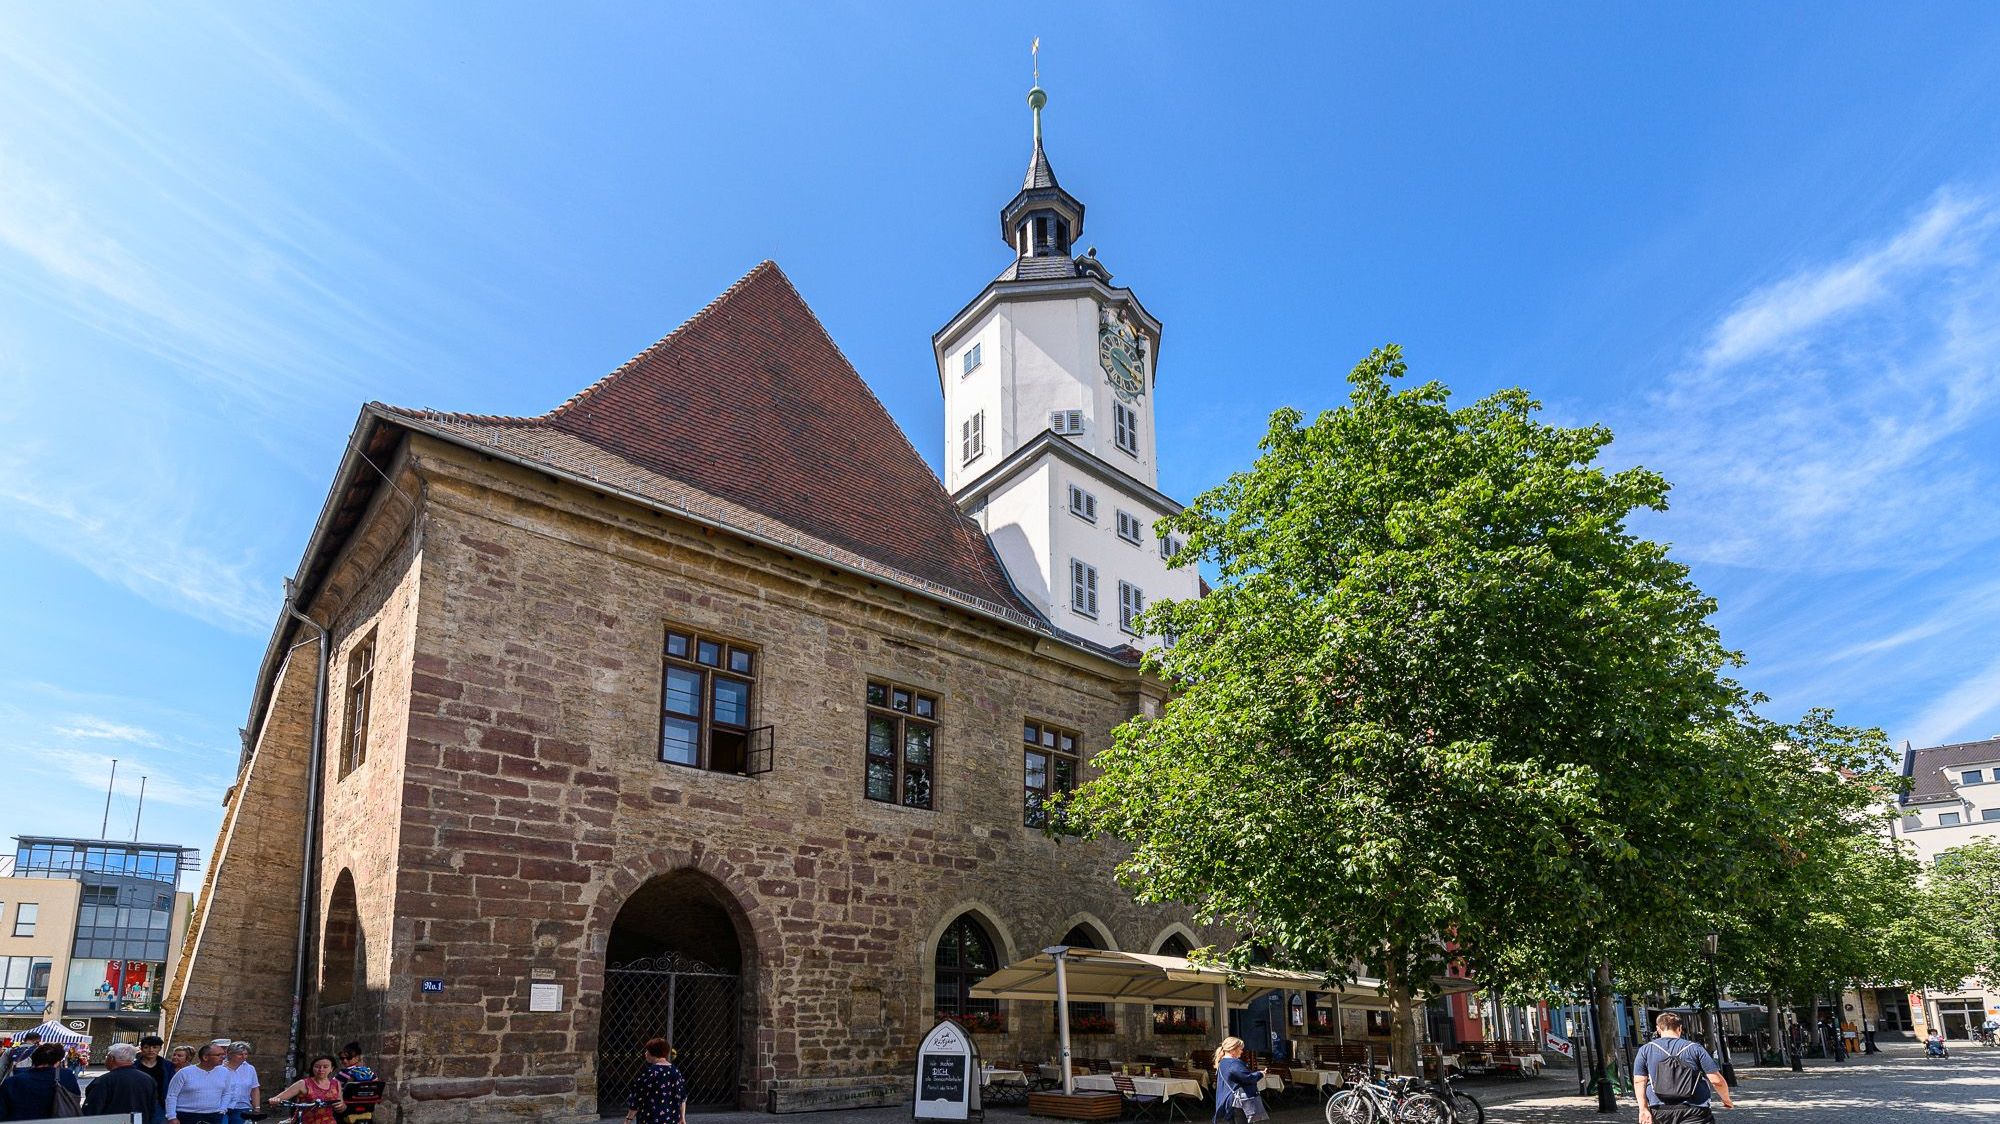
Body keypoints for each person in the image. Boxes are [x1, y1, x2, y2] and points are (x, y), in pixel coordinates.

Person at [1631, 1012, 1731, 1124]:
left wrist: (1643, 1109)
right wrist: (1726, 1100)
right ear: (1680, 1028)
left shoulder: (1645, 1050)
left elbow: (1639, 1081)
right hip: (1695, 1109)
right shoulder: (1695, 1048)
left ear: (1658, 1029)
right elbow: (1716, 1081)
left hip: (1660, 1110)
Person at [0, 1042, 83, 1121]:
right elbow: (75, 1099)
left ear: (33, 1059)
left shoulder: (12, 1082)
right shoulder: (66, 1076)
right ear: (57, 1063)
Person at [86, 1042, 163, 1116]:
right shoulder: (148, 1079)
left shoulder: (104, 1081)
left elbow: (91, 1110)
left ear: (112, 1059)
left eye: (107, 1056)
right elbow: (153, 1107)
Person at [167, 1041, 233, 1124]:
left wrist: (222, 1109)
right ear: (205, 1057)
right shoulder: (184, 1073)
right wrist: (171, 1116)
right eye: (218, 1055)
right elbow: (172, 1095)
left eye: (223, 1054)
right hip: (186, 1115)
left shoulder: (225, 1072)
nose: (223, 1057)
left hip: (214, 1115)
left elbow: (227, 1093)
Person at [623, 1037, 687, 1124]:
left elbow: (637, 1098)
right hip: (671, 1119)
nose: (645, 1053)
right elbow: (682, 1097)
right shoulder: (675, 1071)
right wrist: (682, 1118)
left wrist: (628, 1119)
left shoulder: (649, 1073)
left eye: (647, 1051)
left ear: (653, 1052)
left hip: (650, 1119)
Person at [266, 1055, 346, 1124]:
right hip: (305, 1121)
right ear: (312, 1068)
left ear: (332, 1068)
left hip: (329, 1121)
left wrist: (341, 1106)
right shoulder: (303, 1083)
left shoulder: (336, 1084)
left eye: (325, 1067)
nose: (321, 1069)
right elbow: (279, 1098)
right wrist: (274, 1100)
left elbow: (341, 1106)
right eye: (317, 1066)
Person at [1211, 1036, 1265, 1124]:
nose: (1242, 1051)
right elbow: (1248, 1078)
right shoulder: (1234, 1063)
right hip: (1238, 1102)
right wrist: (1260, 1074)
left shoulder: (1222, 1063)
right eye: (1240, 1049)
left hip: (1227, 1101)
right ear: (1232, 1050)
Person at [136, 1035, 177, 1124]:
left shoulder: (167, 1066)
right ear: (141, 1048)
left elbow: (172, 1086)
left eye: (155, 1047)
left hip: (160, 1103)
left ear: (160, 1048)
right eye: (147, 1047)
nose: (151, 1050)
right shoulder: (134, 1066)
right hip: (138, 1102)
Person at [222, 1041, 260, 1124]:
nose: (244, 1057)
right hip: (221, 1107)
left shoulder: (250, 1069)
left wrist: (257, 1108)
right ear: (230, 1054)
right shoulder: (220, 1068)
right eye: (240, 1054)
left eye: (246, 1054)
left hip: (242, 1107)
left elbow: (254, 1089)